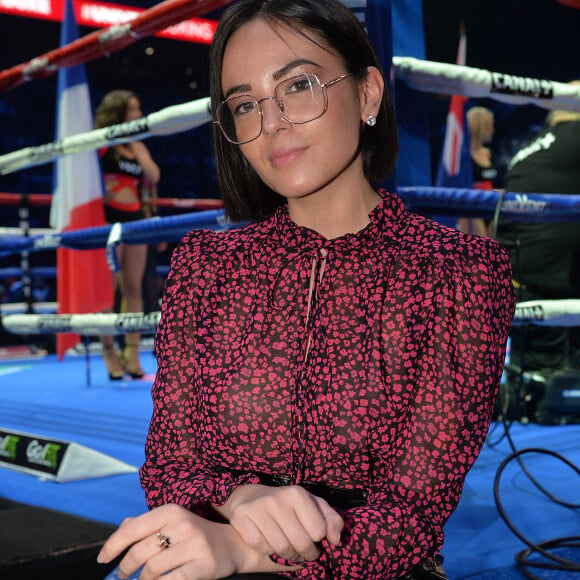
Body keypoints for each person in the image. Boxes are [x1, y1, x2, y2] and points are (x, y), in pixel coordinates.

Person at [97, 1, 515, 578]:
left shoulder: (460, 273)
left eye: (298, 85)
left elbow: (414, 515)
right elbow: (171, 463)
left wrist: (246, 552)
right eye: (245, 104)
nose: (271, 123)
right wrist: (240, 501)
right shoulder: (204, 267)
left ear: (368, 94)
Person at [496, 87, 580, 374]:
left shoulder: (532, 147)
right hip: (546, 284)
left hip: (517, 279)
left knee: (535, 385)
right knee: (551, 393)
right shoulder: (574, 136)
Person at [94, 90, 161, 379]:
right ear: (118, 112)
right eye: (132, 109)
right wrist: (100, 192)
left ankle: (131, 352)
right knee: (108, 289)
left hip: (134, 219)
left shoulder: (136, 145)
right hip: (107, 219)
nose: (138, 114)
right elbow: (86, 177)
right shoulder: (101, 142)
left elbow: (154, 177)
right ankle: (108, 351)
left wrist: (136, 143)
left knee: (133, 286)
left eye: (138, 108)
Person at [457, 106, 498, 236]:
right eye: (490, 126)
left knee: (492, 250)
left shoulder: (488, 153)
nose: (493, 130)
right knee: (480, 250)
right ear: (481, 127)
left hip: (491, 207)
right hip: (473, 209)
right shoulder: (463, 156)